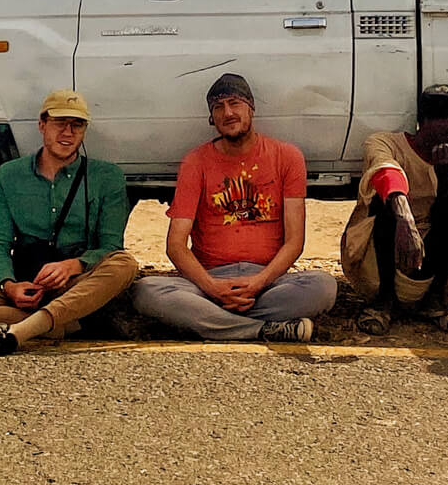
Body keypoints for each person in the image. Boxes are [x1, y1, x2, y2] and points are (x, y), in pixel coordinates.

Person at [132, 73, 336, 342]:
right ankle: (263, 329)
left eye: (234, 103)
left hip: (268, 282)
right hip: (207, 282)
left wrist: (258, 282)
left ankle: (213, 323)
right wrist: (213, 288)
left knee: (323, 286)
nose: (227, 113)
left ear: (251, 107)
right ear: (212, 118)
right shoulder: (196, 162)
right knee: (145, 291)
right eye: (218, 108)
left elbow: (295, 241)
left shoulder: (286, 156)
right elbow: (176, 246)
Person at [0, 89, 142, 359]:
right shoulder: (9, 175)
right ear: (42, 125)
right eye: (60, 123)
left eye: (77, 125)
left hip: (76, 282)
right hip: (26, 281)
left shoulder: (106, 176)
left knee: (124, 264)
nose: (68, 133)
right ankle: (62, 324)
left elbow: (109, 246)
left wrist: (73, 265)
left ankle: (19, 332)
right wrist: (9, 285)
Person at [339, 84, 448, 335]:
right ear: (427, 121)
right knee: (389, 200)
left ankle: (434, 300)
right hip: (380, 258)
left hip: (430, 260)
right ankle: (384, 301)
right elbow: (385, 173)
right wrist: (405, 221)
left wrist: (445, 176)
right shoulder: (385, 143)